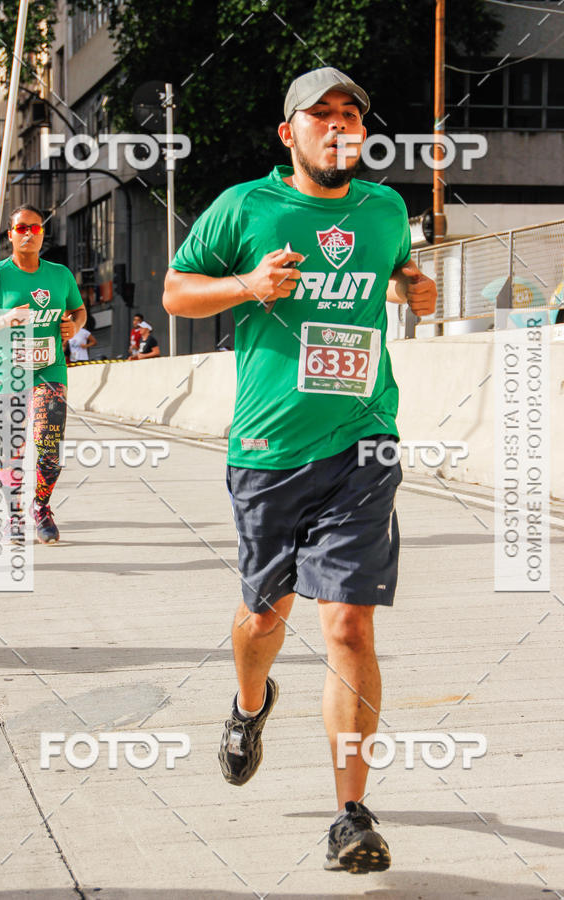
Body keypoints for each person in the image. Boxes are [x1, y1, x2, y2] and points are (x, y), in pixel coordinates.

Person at [163, 67, 437, 874]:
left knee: (349, 624)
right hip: (268, 454)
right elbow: (178, 293)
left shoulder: (384, 209)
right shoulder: (245, 206)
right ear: (290, 133)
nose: (338, 126)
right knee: (262, 623)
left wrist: (411, 285)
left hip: (364, 441)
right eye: (321, 115)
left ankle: (351, 813)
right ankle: (251, 704)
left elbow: (394, 271)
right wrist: (246, 285)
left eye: (351, 114)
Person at [0, 203, 86, 543]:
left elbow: (79, 310)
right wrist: (3, 320)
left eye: (35, 227)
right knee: (10, 450)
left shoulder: (60, 274)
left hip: (49, 370)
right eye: (22, 228)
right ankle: (14, 515)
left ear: (42, 233)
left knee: (49, 445)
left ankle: (41, 507)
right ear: (10, 235)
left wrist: (73, 326)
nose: (29, 233)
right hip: (7, 373)